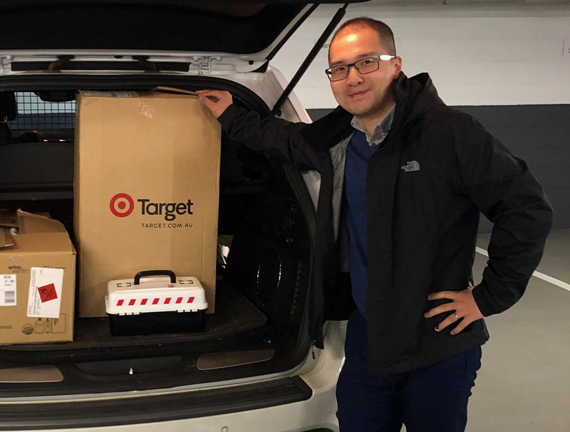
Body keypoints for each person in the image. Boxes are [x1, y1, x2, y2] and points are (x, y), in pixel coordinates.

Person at [197, 17, 552, 432]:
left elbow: (527, 209)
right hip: (368, 338)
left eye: (367, 62)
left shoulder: (449, 133)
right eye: (340, 68)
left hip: (436, 343)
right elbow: (287, 139)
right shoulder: (339, 138)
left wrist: (488, 297)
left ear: (395, 64)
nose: (353, 78)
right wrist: (231, 115)